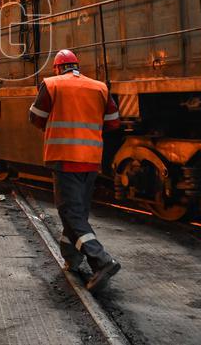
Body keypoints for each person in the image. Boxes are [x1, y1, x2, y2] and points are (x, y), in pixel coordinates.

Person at [28, 49, 122, 291]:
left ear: (58, 68)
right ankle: (71, 257)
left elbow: (35, 117)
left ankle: (102, 261)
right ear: (77, 66)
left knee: (71, 213)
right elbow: (113, 121)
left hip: (64, 158)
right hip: (91, 159)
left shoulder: (52, 84)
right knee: (77, 212)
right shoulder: (100, 87)